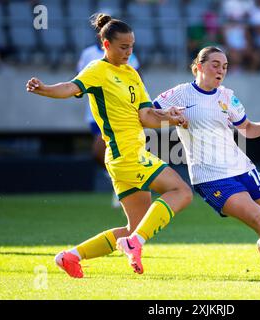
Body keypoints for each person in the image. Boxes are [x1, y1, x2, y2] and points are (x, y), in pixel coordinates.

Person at [26, 13, 193, 277]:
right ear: (106, 45)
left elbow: (146, 116)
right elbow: (70, 88)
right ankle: (133, 244)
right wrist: (44, 88)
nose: (128, 52)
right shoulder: (97, 70)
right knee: (182, 192)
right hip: (125, 156)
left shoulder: (132, 74)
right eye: (123, 47)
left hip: (128, 157)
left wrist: (171, 119)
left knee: (135, 228)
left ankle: (71, 256)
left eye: (132, 47)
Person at [151, 46, 260, 276]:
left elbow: (245, 128)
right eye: (215, 64)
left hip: (241, 166)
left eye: (224, 66)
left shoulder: (226, 96)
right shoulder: (180, 94)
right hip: (211, 176)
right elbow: (147, 115)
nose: (220, 70)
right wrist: (168, 116)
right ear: (198, 67)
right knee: (257, 216)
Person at [77, 24, 141, 208]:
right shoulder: (89, 56)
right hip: (95, 112)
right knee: (100, 153)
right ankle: (121, 181)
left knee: (102, 148)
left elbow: (137, 78)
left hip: (118, 113)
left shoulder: (128, 57)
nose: (128, 50)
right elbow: (80, 79)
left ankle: (124, 184)